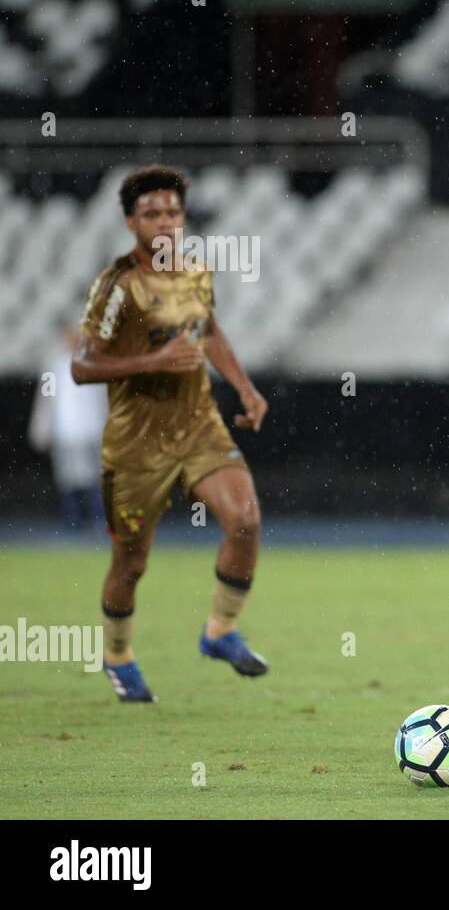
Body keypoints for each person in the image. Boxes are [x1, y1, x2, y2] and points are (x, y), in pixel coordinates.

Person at [73, 164, 270, 703]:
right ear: (131, 222)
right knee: (131, 564)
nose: (164, 221)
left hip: (198, 426)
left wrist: (245, 388)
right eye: (151, 213)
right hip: (137, 444)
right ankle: (117, 655)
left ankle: (219, 631)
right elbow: (82, 366)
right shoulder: (117, 286)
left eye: (172, 212)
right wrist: (155, 357)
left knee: (245, 520)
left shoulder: (196, 273)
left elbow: (210, 332)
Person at [29, 328, 109, 531]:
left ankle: (99, 522)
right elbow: (46, 401)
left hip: (92, 430)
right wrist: (41, 429)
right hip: (66, 431)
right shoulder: (55, 367)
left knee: (96, 479)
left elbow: (105, 400)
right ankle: (74, 522)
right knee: (68, 480)